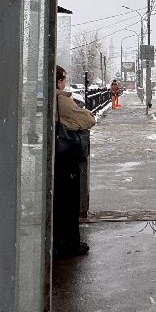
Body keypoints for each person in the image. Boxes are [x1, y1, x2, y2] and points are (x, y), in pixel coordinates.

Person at [54, 65, 97, 258]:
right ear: (58, 81)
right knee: (68, 202)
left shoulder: (48, 99)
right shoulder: (61, 101)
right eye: (63, 79)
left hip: (53, 159)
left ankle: (60, 242)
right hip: (65, 158)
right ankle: (69, 244)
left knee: (59, 202)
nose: (64, 83)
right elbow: (88, 119)